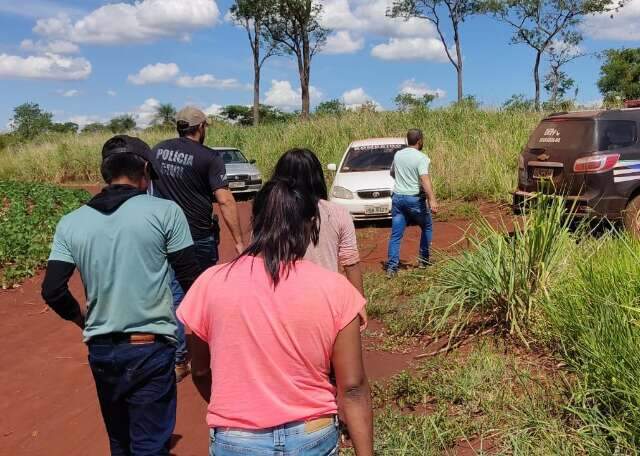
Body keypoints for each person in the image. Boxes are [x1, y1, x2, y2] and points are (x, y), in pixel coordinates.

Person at [177, 178, 374, 456]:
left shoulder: (210, 282)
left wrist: (237, 416)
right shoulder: (336, 289)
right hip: (311, 435)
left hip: (237, 439)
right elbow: (352, 388)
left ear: (255, 220)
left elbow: (199, 370)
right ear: (311, 225)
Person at [41, 135, 200, 456]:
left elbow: (52, 289)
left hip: (102, 350)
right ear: (144, 170)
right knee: (151, 445)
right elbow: (193, 281)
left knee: (120, 441)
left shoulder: (71, 223)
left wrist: (81, 319)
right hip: (150, 348)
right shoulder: (165, 212)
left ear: (105, 172)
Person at [150, 106, 244, 381]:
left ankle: (180, 361)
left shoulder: (157, 151)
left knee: (175, 295)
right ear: (200, 127)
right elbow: (225, 199)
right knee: (206, 295)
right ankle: (216, 354)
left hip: (165, 234)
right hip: (198, 236)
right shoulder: (209, 157)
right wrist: (239, 241)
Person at [272, 148, 368, 329]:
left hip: (280, 303)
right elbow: (350, 262)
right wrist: (358, 303)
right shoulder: (337, 213)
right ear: (316, 177)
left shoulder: (269, 216)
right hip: (325, 302)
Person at [386, 128, 439, 278]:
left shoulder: (398, 155)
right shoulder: (421, 158)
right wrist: (432, 199)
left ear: (407, 140)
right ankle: (423, 260)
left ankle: (392, 268)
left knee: (396, 234)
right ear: (420, 140)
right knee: (427, 226)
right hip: (414, 199)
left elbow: (392, 173)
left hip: (398, 199)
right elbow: (424, 179)